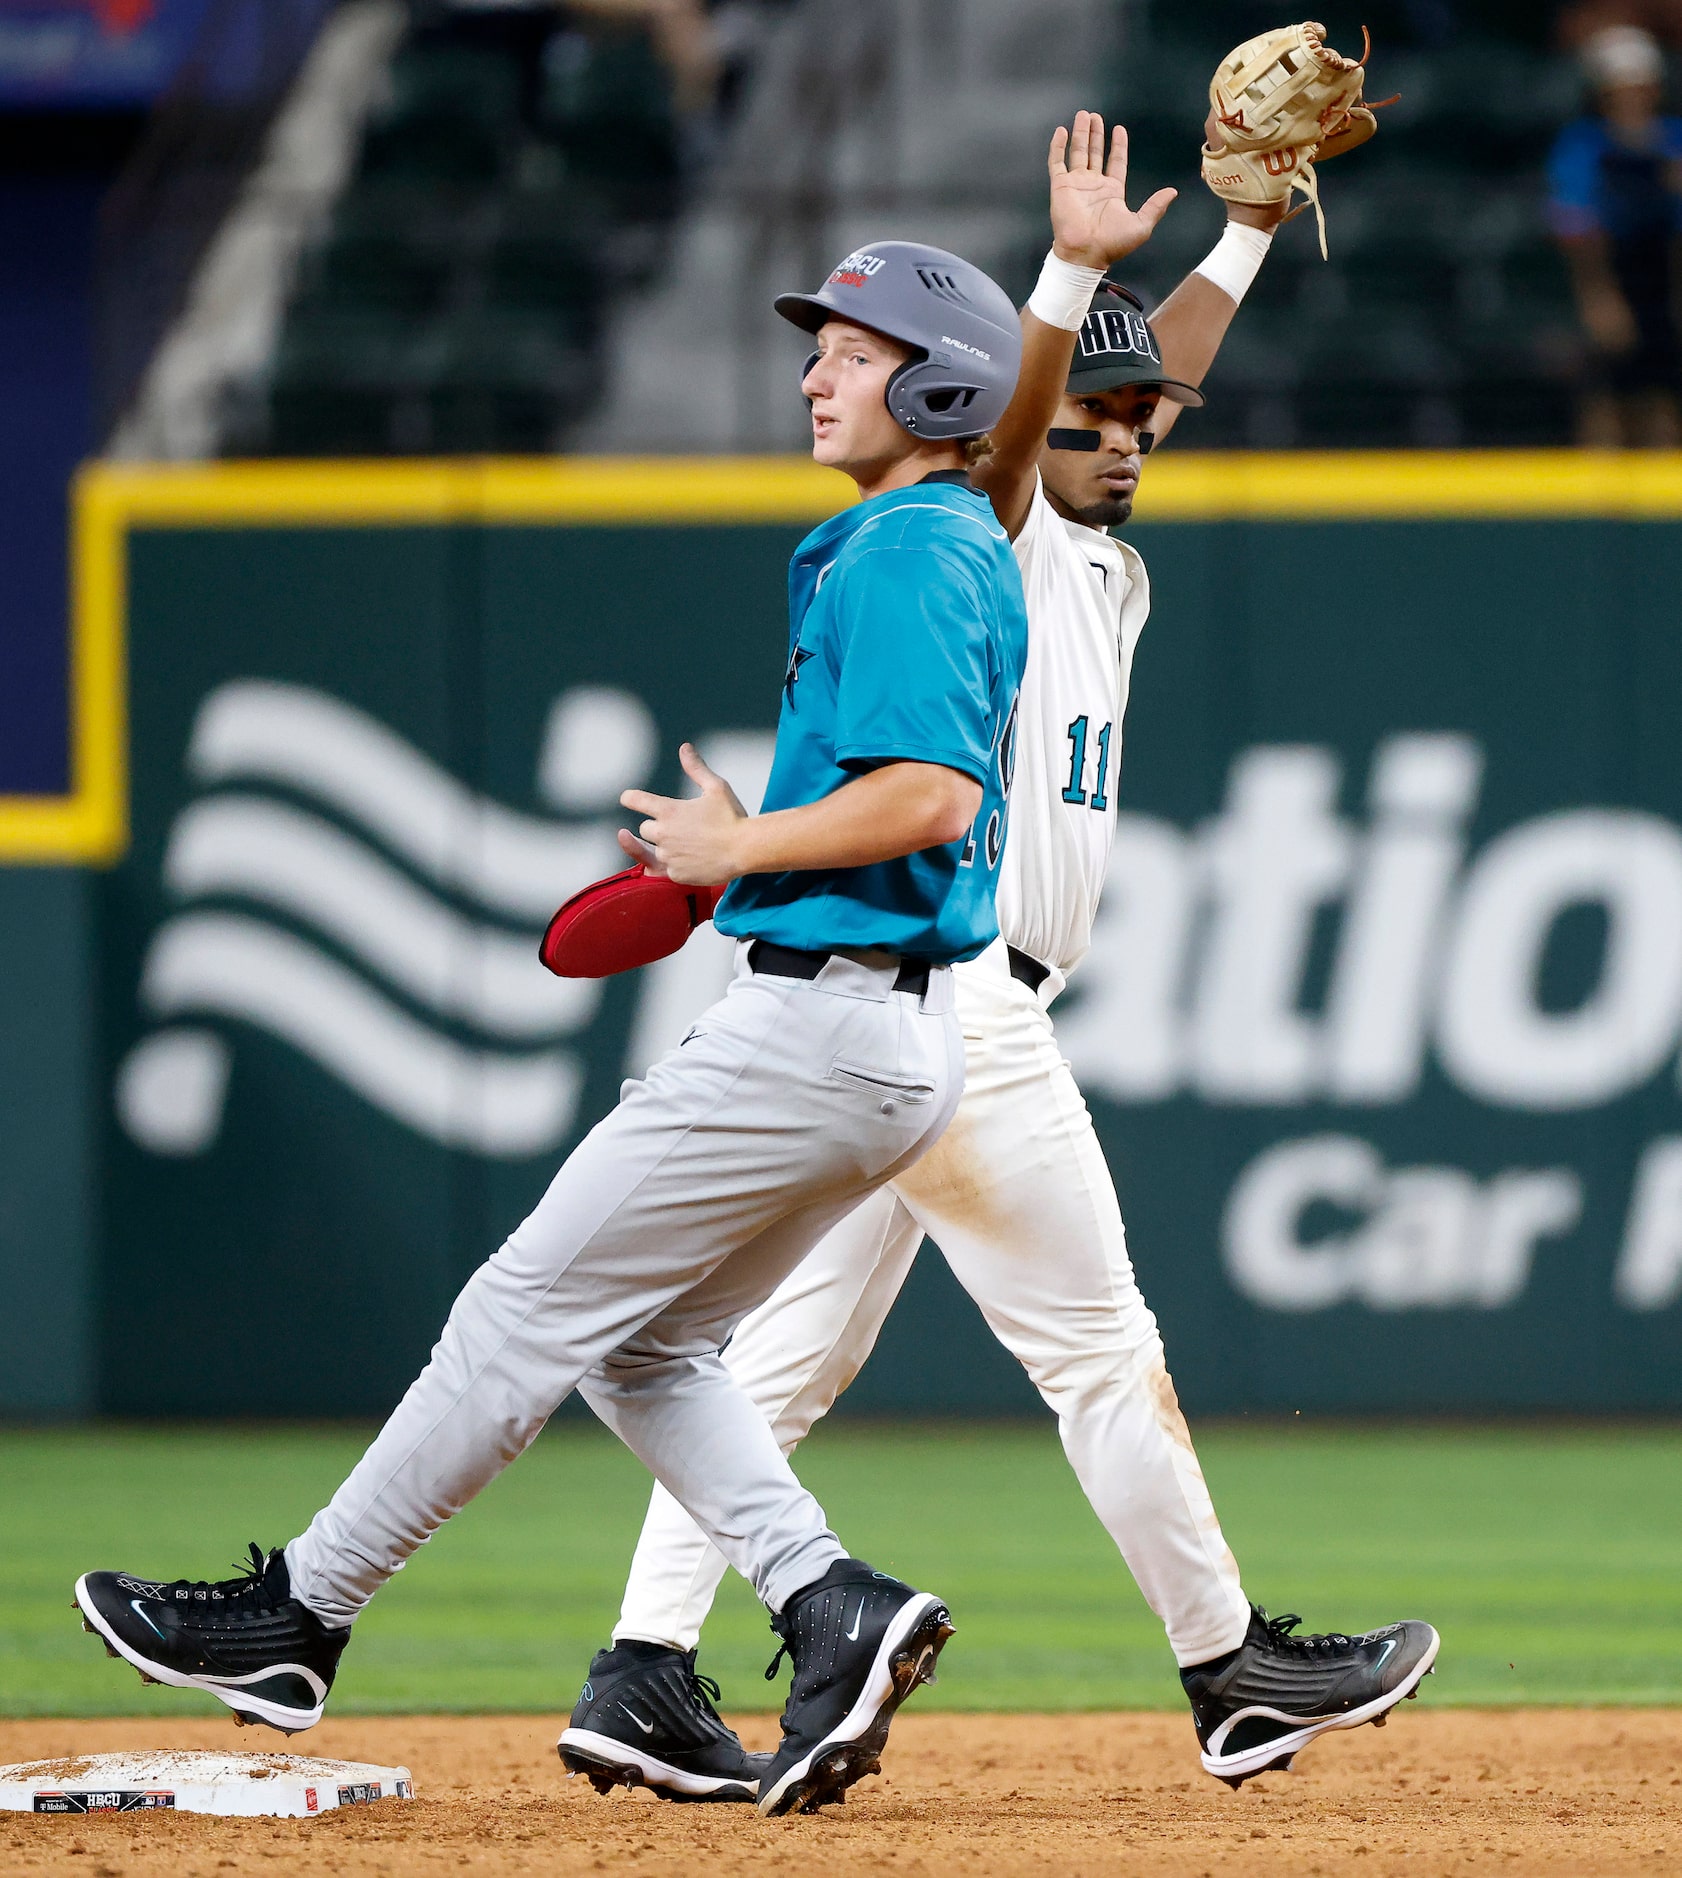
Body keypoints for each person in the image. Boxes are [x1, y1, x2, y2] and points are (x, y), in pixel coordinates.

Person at [72, 239, 1031, 1821]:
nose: (811, 372)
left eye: (849, 353)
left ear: (935, 381)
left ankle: (299, 1612)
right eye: (820, 350)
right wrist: (759, 833)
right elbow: (898, 801)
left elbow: (932, 795)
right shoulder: (923, 540)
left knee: (517, 1310)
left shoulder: (909, 548)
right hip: (873, 1036)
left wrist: (744, 853)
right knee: (640, 1341)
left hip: (819, 1029)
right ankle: (825, 1602)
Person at [559, 112, 1439, 1806]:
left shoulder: (1107, 554)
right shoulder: (1000, 527)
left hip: (918, 1011)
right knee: (1099, 1352)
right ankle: (1230, 1667)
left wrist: (1244, 235)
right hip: (960, 1004)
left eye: (1141, 418)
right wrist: (1068, 275)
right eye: (1089, 416)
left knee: (783, 1365)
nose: (1120, 434)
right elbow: (1047, 411)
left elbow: (1130, 383)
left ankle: (643, 1665)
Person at [1549, 23, 1682, 446]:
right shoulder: (1583, 145)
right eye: (1619, 89)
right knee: (1605, 397)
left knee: (1663, 402)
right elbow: (1576, 227)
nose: (1631, 98)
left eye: (1640, 87)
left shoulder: (1673, 141)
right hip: (1610, 282)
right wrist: (1599, 298)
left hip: (1664, 283)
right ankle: (1598, 509)